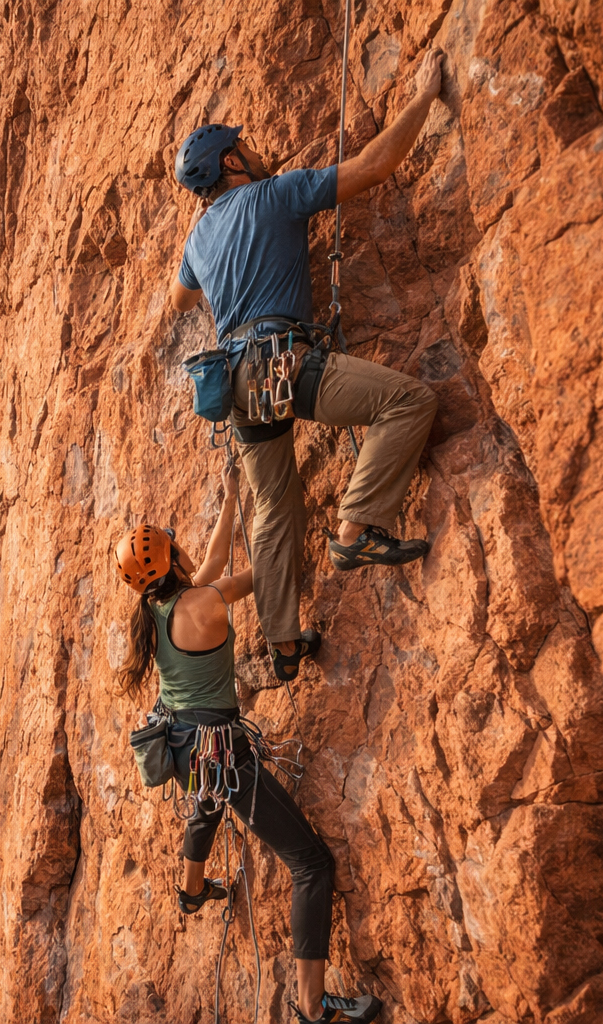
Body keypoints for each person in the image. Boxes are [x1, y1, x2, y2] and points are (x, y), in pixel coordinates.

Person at [168, 50, 447, 683]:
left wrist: (212, 249)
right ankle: (356, 528)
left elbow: (181, 299)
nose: (255, 151)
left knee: (272, 510)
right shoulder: (276, 193)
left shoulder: (198, 238)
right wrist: (425, 96)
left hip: (233, 387)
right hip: (282, 365)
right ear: (233, 163)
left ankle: (284, 643)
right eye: (245, 148)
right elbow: (374, 165)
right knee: (408, 402)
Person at [114, 475, 382, 1024]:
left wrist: (232, 500)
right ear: (170, 561)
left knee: (207, 802)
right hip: (222, 752)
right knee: (311, 865)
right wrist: (295, 527)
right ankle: (310, 1005)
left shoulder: (161, 609)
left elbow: (210, 562)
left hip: (185, 747)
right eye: (173, 541)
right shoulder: (206, 602)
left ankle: (191, 891)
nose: (183, 544)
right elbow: (261, 575)